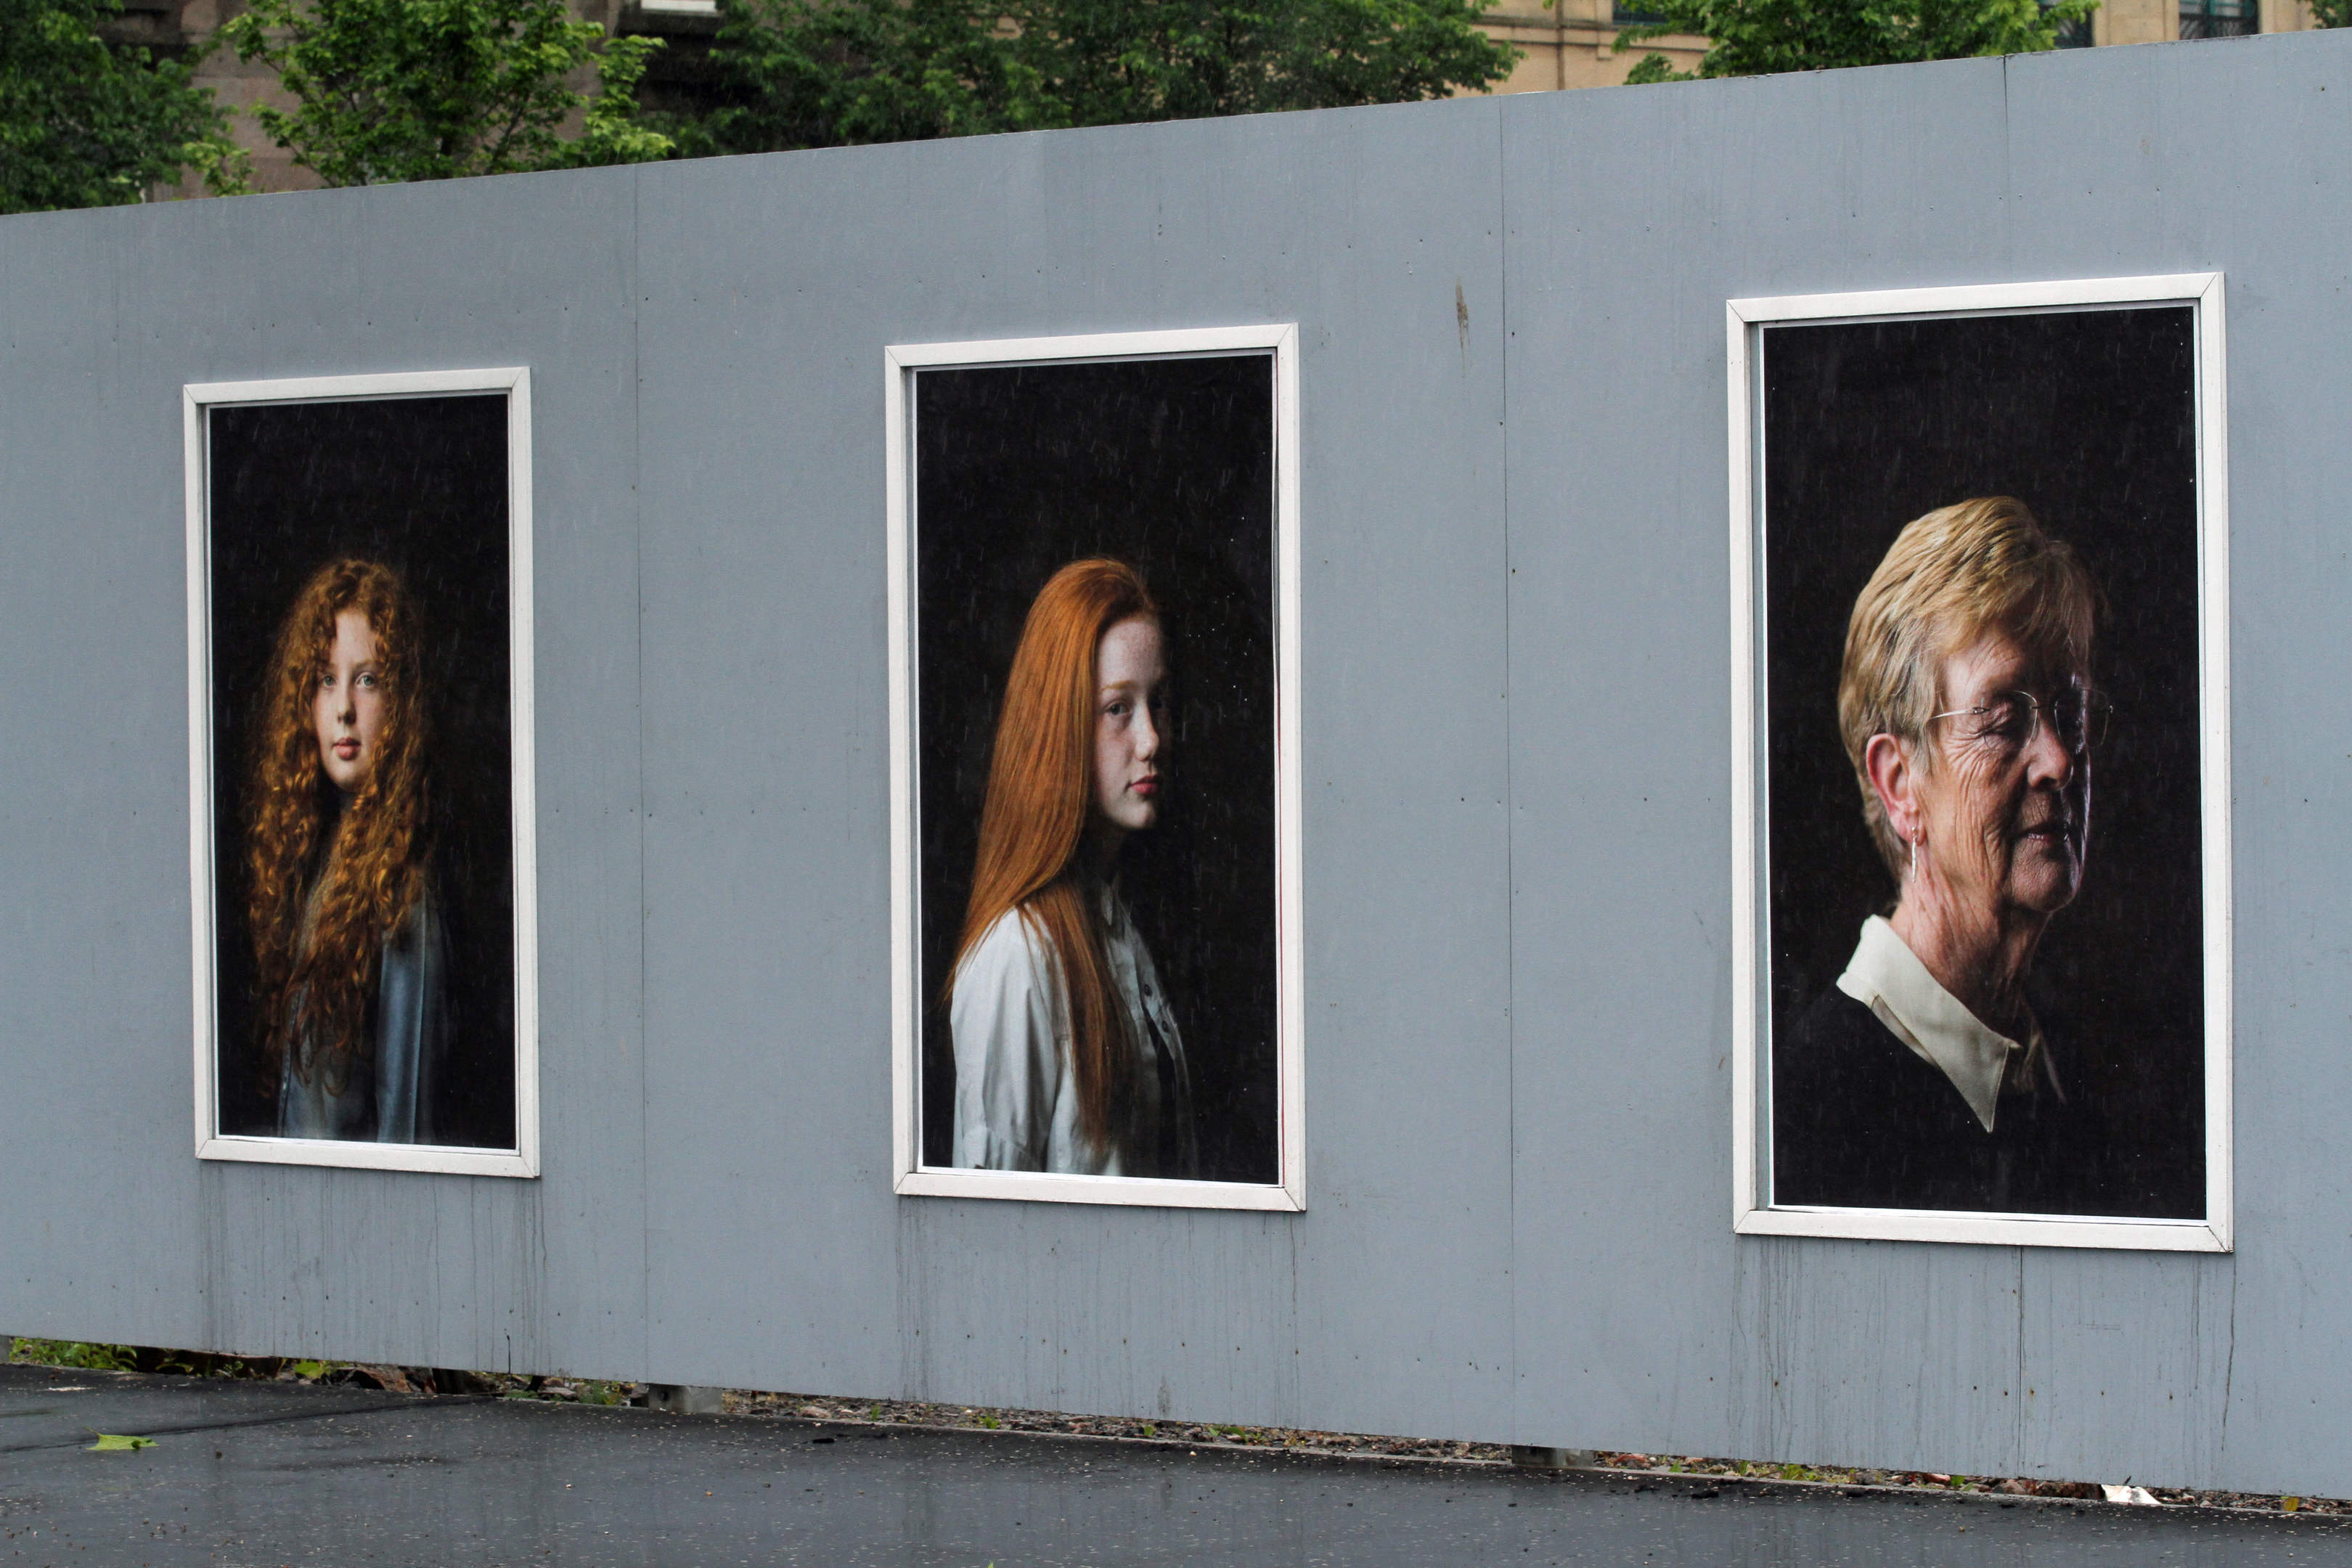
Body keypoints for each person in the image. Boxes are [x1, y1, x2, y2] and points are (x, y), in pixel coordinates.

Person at [1776, 497, 2109, 1213]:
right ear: (1900, 786)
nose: (2058, 760)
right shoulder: (1810, 1110)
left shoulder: (2067, 1066)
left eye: (2068, 711)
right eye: (2002, 721)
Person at [947, 558, 1198, 1177]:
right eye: (1119, 709)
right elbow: (987, 1233)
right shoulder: (1017, 957)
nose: (1151, 740)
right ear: (1061, 726)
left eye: (1158, 702)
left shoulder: (1121, 931)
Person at [245, 558, 448, 1143]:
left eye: (367, 679)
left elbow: (408, 1144)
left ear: (401, 700)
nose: (343, 709)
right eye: (325, 679)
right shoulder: (320, 860)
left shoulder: (404, 894)